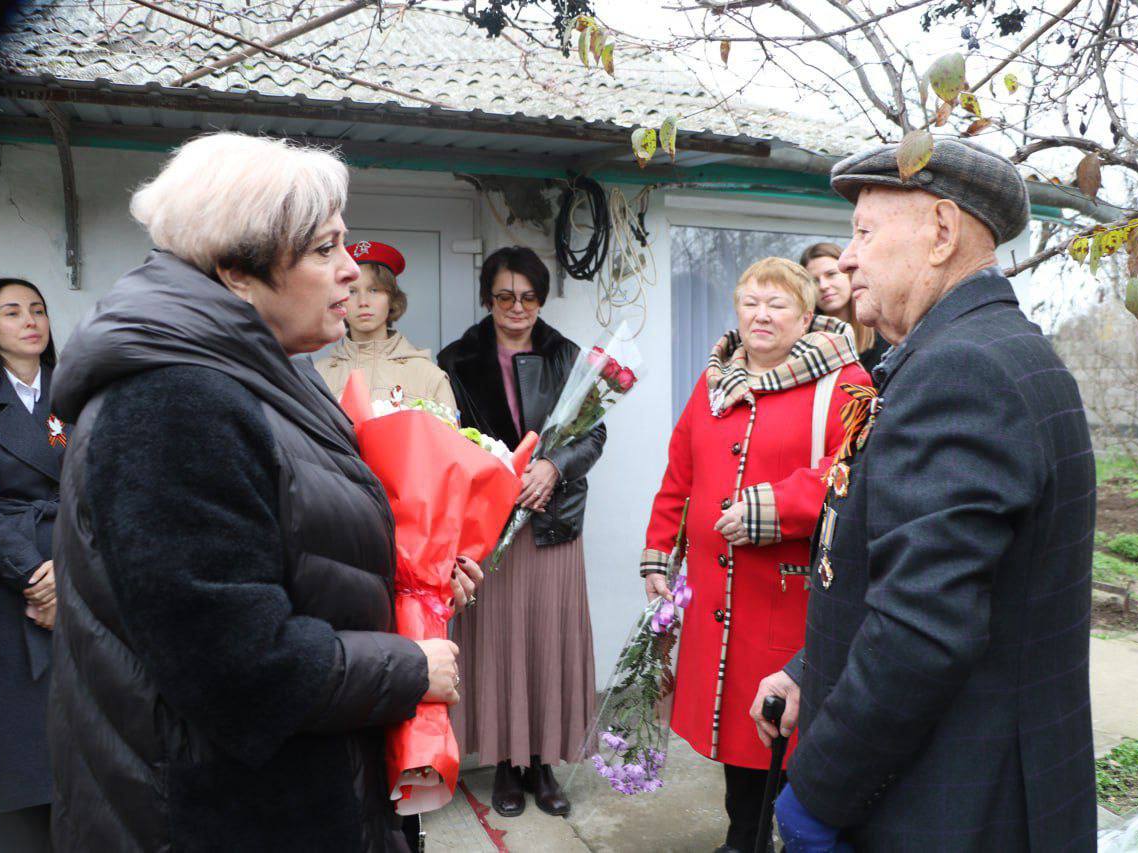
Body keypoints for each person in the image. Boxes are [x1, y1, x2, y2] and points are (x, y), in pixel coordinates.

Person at [47, 132, 482, 853]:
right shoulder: (172, 403)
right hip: (221, 817)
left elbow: (296, 549)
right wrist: (409, 669)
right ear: (237, 272)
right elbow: (237, 667)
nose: (351, 270)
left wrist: (411, 579)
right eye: (324, 249)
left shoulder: (269, 368)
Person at [752, 140, 1097, 851]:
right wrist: (811, 670)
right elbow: (917, 566)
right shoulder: (982, 350)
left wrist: (817, 793)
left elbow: (921, 631)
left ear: (941, 232)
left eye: (864, 232)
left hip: (953, 804)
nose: (848, 259)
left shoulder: (962, 369)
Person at [641, 257, 870, 853]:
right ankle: (744, 838)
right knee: (737, 731)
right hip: (718, 601)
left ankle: (796, 839)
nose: (761, 315)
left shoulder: (844, 382)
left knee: (788, 730)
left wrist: (775, 508)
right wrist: (660, 553)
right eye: (750, 303)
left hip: (788, 597)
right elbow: (680, 475)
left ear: (806, 315)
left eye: (777, 304)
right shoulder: (713, 384)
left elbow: (856, 471)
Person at [437, 246, 605, 819]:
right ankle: (506, 764)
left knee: (547, 640)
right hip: (490, 525)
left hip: (553, 522)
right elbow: (447, 440)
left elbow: (594, 434)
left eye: (529, 297)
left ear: (541, 298)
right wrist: (496, 473)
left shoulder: (567, 355)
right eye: (505, 296)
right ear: (488, 298)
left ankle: (543, 761)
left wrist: (555, 466)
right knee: (498, 642)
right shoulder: (457, 359)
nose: (517, 307)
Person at [0, 278, 65, 852]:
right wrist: (35, 575)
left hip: (78, 570)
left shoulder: (77, 392)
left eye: (37, 310)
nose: (29, 321)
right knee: (19, 748)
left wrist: (69, 566)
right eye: (11, 312)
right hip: (6, 579)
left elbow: (108, 484)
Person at [316, 239, 457, 411]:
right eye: (352, 291)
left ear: (392, 298)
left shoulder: (429, 376)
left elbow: (448, 429)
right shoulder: (318, 376)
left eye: (374, 290)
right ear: (339, 300)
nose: (363, 301)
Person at [799, 242, 889, 375]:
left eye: (831, 274)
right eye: (814, 281)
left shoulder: (885, 332)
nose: (823, 286)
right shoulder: (802, 342)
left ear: (850, 275)